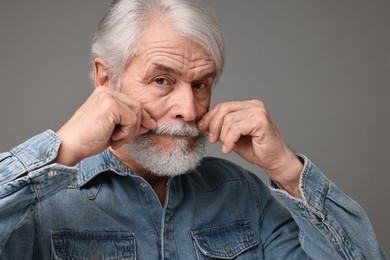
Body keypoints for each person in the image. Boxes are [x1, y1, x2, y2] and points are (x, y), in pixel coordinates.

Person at [0, 0, 387, 259]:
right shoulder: (38, 203)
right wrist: (61, 150)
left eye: (200, 84)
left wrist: (288, 171)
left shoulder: (242, 195)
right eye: (162, 81)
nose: (187, 109)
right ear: (105, 78)